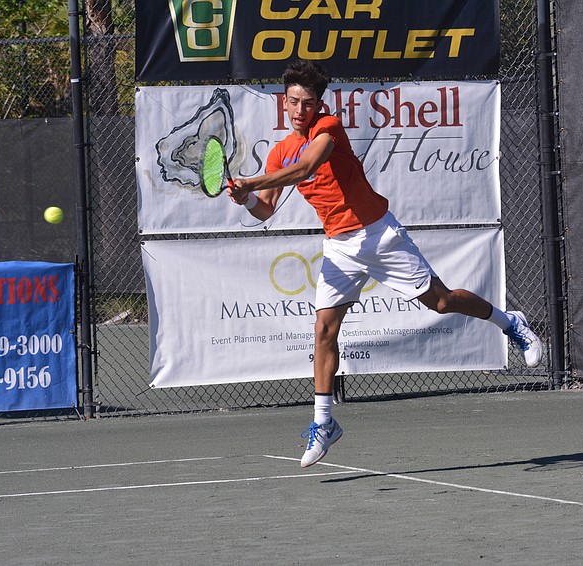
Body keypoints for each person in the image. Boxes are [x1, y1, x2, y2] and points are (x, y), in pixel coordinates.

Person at [228, 60, 543, 468]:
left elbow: (306, 168)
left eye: (307, 103)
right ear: (283, 104)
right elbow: (265, 211)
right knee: (324, 329)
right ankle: (324, 422)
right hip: (339, 246)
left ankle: (510, 323)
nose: (299, 110)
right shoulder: (279, 152)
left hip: (377, 234)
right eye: (293, 102)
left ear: (318, 104)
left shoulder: (328, 128)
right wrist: (247, 198)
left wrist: (249, 181)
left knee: (442, 302)